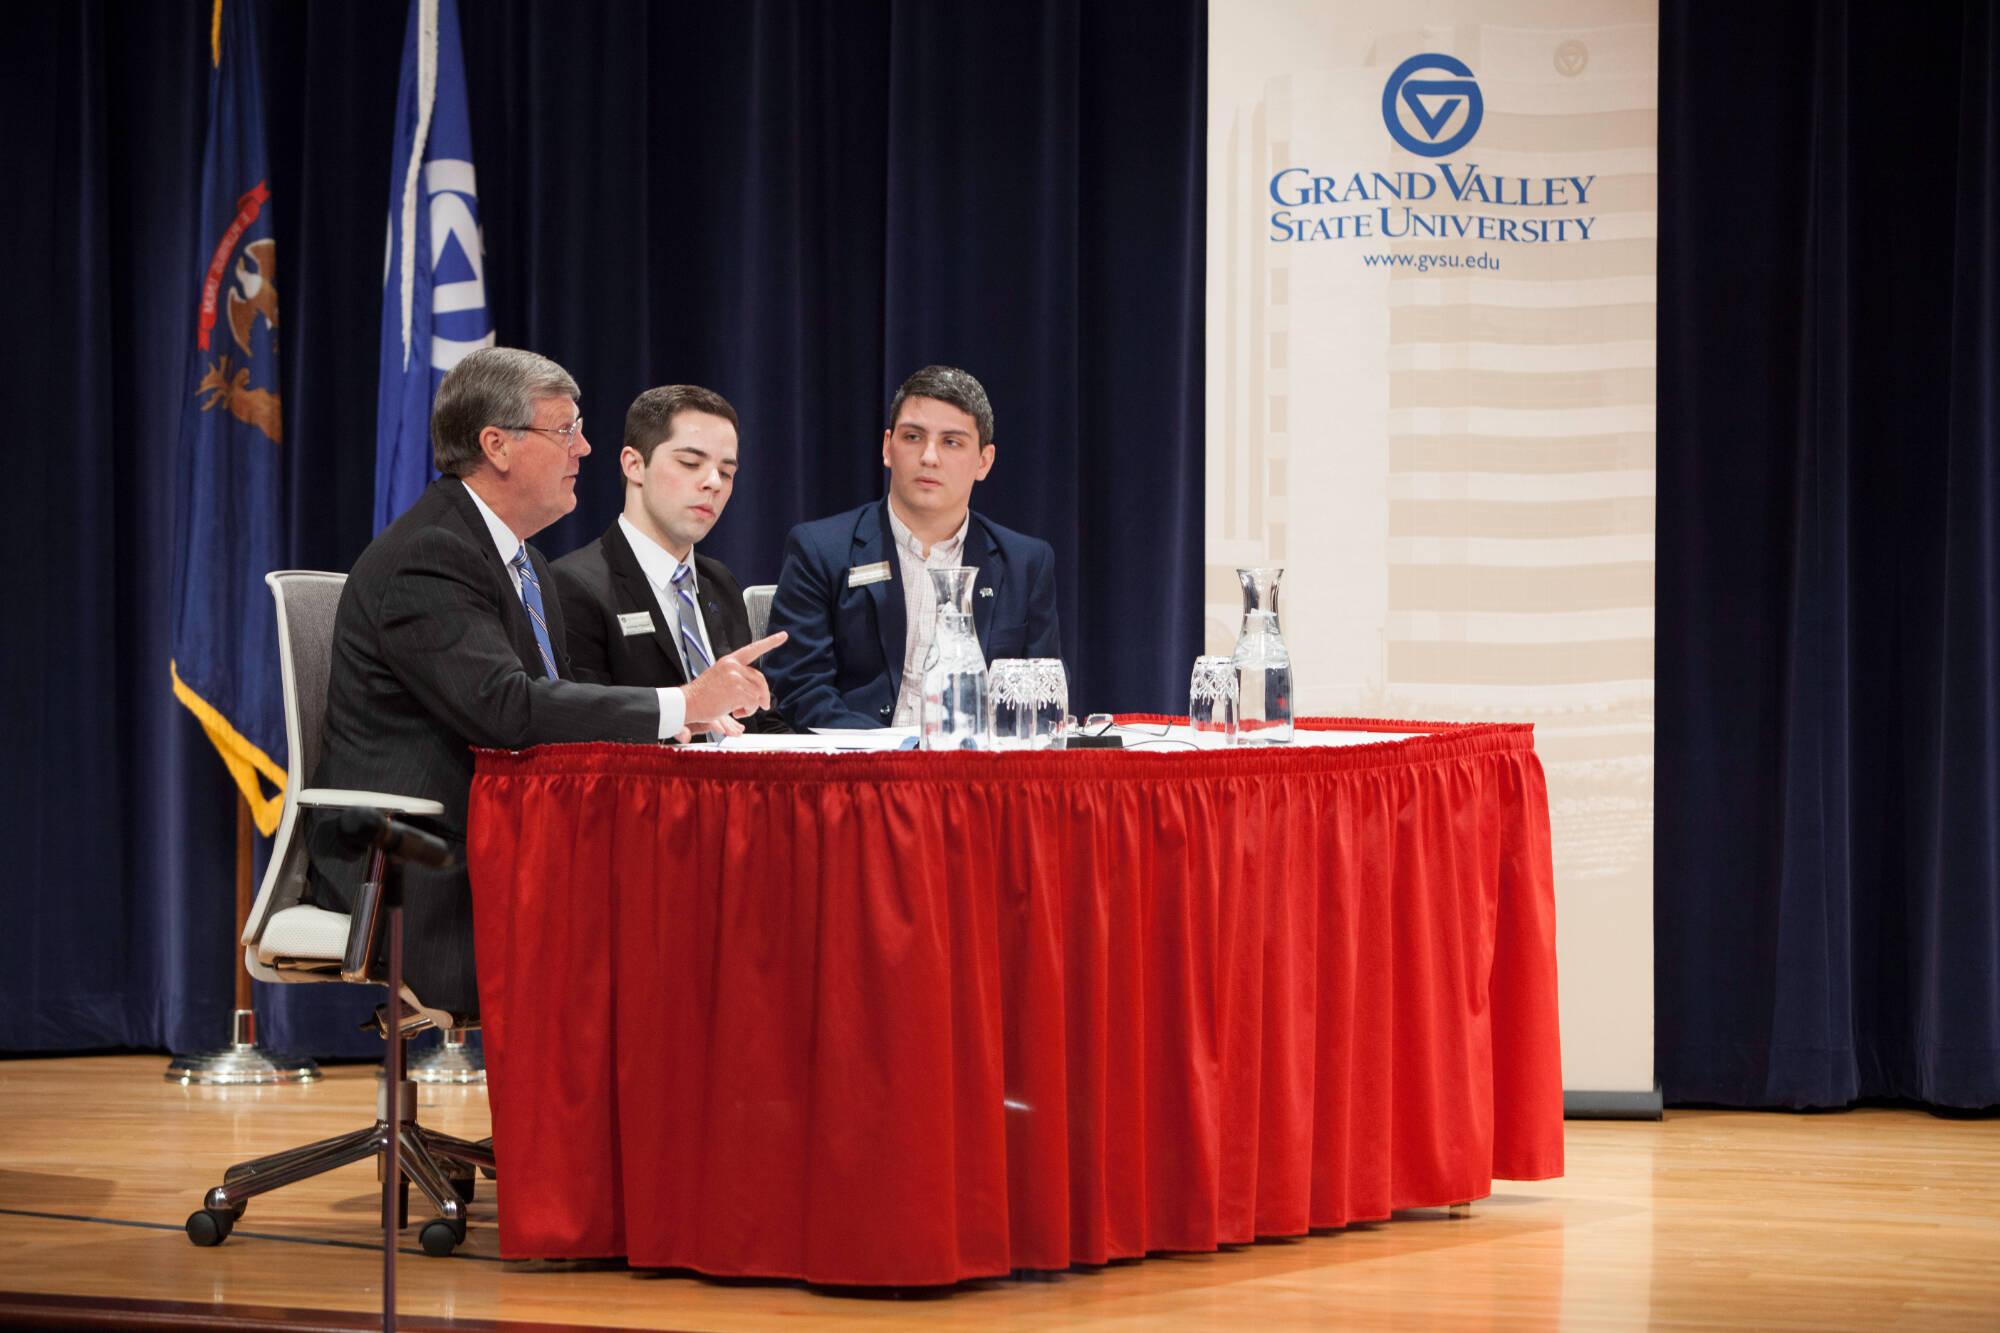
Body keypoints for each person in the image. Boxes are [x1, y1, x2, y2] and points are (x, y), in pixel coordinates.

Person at [307, 347, 783, 1016]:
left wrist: (684, 718)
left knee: (715, 893)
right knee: (666, 922)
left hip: (514, 839)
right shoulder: (430, 553)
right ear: (496, 445)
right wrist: (681, 702)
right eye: (565, 430)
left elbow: (551, 714)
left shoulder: (521, 559)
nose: (583, 448)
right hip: (420, 864)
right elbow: (507, 708)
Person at [763, 364, 1060, 730]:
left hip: (975, 762)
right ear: (887, 447)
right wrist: (894, 753)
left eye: (951, 442)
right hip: (856, 758)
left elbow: (1039, 698)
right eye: (913, 437)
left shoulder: (1025, 563)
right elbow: (800, 689)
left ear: (984, 461)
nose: (929, 457)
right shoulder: (820, 549)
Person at [551, 384, 788, 733]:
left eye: (726, 472)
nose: (713, 482)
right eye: (690, 463)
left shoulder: (719, 580)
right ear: (634, 465)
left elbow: (758, 719)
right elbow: (588, 729)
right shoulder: (574, 585)